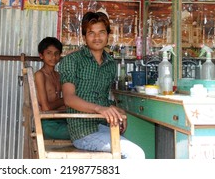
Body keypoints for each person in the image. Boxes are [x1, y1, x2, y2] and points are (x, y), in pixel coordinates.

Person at [58, 11, 145, 159]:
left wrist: (118, 111)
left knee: (136, 145)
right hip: (83, 130)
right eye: (91, 33)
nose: (97, 37)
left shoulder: (111, 64)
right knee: (134, 154)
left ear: (108, 36)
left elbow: (102, 99)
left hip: (104, 126)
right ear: (84, 37)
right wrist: (100, 109)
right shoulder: (72, 61)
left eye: (101, 32)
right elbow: (69, 99)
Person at [35, 37, 70, 140]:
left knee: (84, 127)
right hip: (46, 123)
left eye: (56, 53)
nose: (53, 57)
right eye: (49, 53)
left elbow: (66, 105)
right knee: (78, 133)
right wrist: (64, 100)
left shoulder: (58, 75)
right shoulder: (39, 75)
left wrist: (65, 102)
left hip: (60, 118)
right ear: (41, 55)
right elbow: (46, 108)